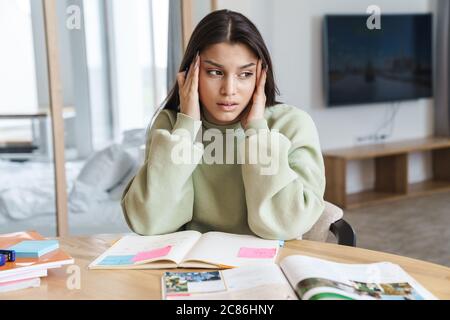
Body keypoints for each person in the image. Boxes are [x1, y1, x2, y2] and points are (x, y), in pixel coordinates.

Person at [121, 9, 325, 240]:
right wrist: (187, 128)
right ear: (191, 73)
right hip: (192, 265)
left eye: (245, 74)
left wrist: (257, 131)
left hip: (267, 266)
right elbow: (148, 221)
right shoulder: (171, 125)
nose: (229, 90)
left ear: (261, 75)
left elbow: (286, 225)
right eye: (215, 72)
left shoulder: (291, 125)